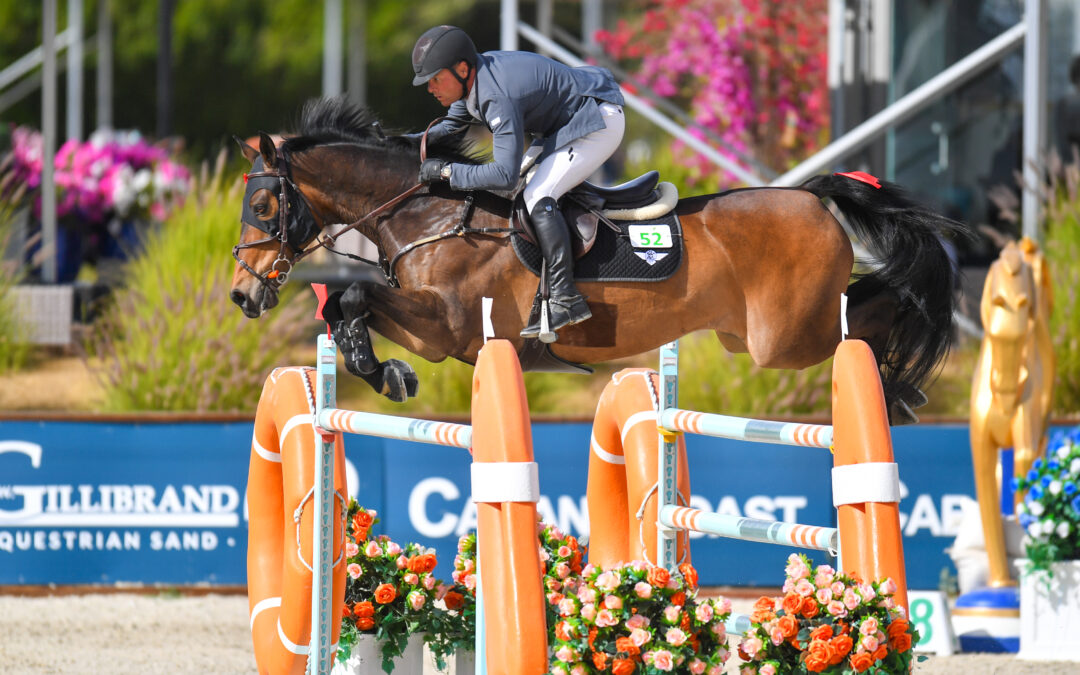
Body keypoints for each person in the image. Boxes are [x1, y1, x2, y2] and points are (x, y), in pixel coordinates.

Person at [410, 25, 625, 338]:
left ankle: (566, 298)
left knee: (537, 195)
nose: (430, 88)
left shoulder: (495, 95)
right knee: (528, 188)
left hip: (596, 122)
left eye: (435, 79)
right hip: (565, 125)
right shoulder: (474, 80)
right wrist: (398, 142)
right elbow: (449, 127)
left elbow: (503, 175)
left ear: (462, 69)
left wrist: (447, 172)